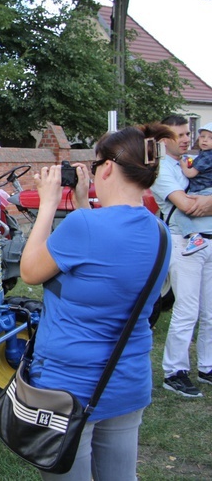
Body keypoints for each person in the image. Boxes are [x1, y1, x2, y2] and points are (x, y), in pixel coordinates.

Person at [20, 123, 173, 480]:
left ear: (107, 168)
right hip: (126, 380)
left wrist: (48, 204)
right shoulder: (160, 232)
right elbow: (102, 268)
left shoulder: (85, 227)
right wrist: (83, 204)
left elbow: (29, 270)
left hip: (68, 387)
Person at [151, 115, 212, 398]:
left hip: (208, 240)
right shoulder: (162, 170)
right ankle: (174, 372)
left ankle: (207, 366)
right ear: (164, 140)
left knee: (209, 312)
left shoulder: (190, 165)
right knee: (187, 311)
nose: (187, 138)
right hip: (184, 244)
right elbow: (187, 206)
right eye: (180, 135)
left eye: (188, 133)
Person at [176, 122, 212, 255]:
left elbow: (190, 173)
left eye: (210, 138)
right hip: (207, 189)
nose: (205, 140)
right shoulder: (204, 155)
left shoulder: (207, 156)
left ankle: (194, 237)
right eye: (203, 137)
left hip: (203, 190)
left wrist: (181, 162)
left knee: (179, 213)